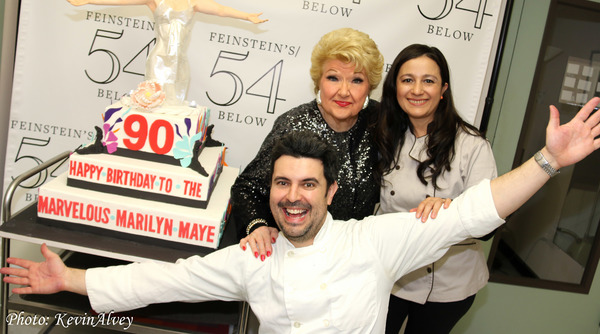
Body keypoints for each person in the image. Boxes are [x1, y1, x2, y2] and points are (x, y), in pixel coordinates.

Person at [2, 100, 600, 333]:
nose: (293, 196)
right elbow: (170, 278)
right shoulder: (254, 256)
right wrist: (72, 281)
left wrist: (550, 158)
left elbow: (472, 211)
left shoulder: (376, 241)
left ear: (331, 192)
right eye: (283, 183)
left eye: (308, 184)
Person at [231, 27, 384, 259]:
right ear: (319, 81)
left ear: (369, 87)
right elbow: (247, 188)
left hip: (352, 257)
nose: (344, 91)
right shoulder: (293, 124)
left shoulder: (381, 124)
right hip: (293, 256)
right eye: (333, 78)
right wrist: (258, 226)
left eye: (356, 80)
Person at [375, 44, 497, 333]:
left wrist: (450, 208)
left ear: (443, 89)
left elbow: (488, 225)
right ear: (395, 88)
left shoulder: (472, 145)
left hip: (447, 283)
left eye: (428, 81)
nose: (417, 90)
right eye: (407, 80)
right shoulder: (383, 135)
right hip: (390, 272)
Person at [66, 0, 266, 104]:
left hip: (180, 64)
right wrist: (90, 0)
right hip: (159, 61)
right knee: (154, 103)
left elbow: (221, 10)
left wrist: (247, 16)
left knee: (175, 106)